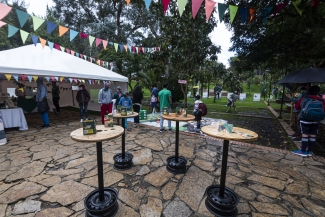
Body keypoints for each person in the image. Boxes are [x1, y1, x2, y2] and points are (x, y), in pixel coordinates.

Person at [292, 85, 325, 157]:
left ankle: (303, 151)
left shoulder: (305, 98)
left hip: (305, 119)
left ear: (309, 91)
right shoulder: (322, 100)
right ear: (318, 92)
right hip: (316, 121)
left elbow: (297, 107)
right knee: (313, 135)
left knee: (305, 134)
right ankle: (309, 151)